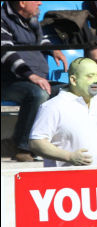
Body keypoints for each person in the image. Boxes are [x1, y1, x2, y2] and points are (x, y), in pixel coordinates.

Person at [29, 58, 97, 167]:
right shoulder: (52, 106)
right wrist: (69, 156)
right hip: (64, 181)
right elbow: (36, 143)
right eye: (90, 76)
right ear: (73, 80)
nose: (96, 80)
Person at [1, 1, 68, 162]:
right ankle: (22, 147)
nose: (40, 2)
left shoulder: (31, 18)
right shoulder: (2, 20)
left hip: (35, 79)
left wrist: (53, 50)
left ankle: (51, 145)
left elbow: (41, 40)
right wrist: (31, 75)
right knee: (38, 93)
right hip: (10, 81)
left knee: (69, 91)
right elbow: (6, 53)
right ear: (22, 3)